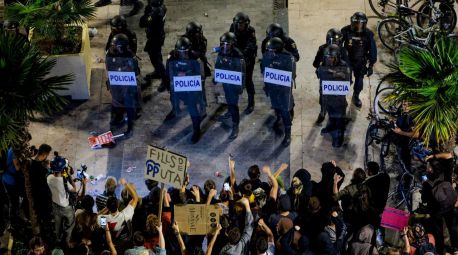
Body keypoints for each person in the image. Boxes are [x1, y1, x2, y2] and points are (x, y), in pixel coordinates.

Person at [163, 37, 206, 143]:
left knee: (192, 108)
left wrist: (187, 74)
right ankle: (174, 110)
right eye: (180, 52)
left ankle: (196, 130)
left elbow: (201, 75)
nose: (183, 55)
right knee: (173, 98)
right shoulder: (172, 57)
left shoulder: (196, 58)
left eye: (185, 52)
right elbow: (168, 71)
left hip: (191, 87)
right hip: (178, 86)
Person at [261, 37, 296, 146]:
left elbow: (291, 74)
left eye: (272, 50)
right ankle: (278, 117)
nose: (269, 52)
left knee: (285, 110)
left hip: (283, 89)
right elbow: (264, 67)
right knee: (276, 106)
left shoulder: (288, 58)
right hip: (273, 86)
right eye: (268, 50)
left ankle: (288, 133)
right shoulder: (268, 55)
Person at [105, 33, 140, 137]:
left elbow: (136, 72)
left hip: (127, 84)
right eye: (113, 46)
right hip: (116, 82)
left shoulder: (130, 55)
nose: (114, 48)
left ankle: (130, 126)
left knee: (129, 104)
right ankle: (119, 117)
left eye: (117, 46)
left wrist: (124, 69)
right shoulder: (110, 53)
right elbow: (108, 65)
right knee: (116, 101)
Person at [316, 44, 351, 147]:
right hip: (327, 98)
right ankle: (331, 128)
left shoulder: (344, 66)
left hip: (339, 100)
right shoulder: (324, 64)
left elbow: (346, 80)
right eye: (328, 57)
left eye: (332, 57)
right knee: (331, 116)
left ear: (337, 57)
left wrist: (331, 73)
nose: (330, 60)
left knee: (339, 118)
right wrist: (332, 73)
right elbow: (320, 74)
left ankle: (339, 137)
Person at [313, 28, 349, 124]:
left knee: (340, 97)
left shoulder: (343, 51)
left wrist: (348, 79)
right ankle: (323, 112)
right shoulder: (322, 48)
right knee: (323, 96)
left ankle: (341, 114)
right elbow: (315, 63)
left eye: (338, 41)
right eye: (333, 41)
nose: (335, 43)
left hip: (339, 78)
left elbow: (348, 66)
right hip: (326, 77)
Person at [214, 32, 246, 139]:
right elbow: (218, 64)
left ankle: (235, 125)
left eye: (228, 44)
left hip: (234, 85)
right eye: (223, 44)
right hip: (226, 83)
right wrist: (216, 76)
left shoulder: (238, 55)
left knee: (233, 105)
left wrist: (241, 86)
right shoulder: (221, 52)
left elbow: (242, 72)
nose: (225, 46)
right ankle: (229, 113)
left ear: (233, 44)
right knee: (229, 100)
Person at [341, 12, 377, 108]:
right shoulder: (345, 31)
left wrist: (371, 65)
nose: (358, 26)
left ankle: (356, 96)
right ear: (352, 22)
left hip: (360, 61)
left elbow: (373, 50)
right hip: (347, 60)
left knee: (359, 81)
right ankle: (341, 97)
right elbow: (338, 45)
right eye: (356, 23)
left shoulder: (368, 34)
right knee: (345, 80)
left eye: (361, 24)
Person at [229, 12, 258, 114]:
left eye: (243, 24)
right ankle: (232, 104)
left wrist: (242, 54)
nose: (241, 26)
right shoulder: (233, 27)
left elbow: (251, 45)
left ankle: (251, 103)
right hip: (237, 57)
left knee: (248, 80)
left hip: (248, 58)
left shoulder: (251, 31)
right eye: (239, 24)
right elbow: (231, 40)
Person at [98, 178, 138, 246]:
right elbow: (135, 198)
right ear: (117, 205)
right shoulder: (126, 215)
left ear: (107, 207)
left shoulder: (102, 218)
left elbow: (98, 215)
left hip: (111, 243)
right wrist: (125, 184)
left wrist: (107, 207)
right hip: (124, 242)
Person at [47, 155, 76, 247]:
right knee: (70, 224)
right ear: (63, 169)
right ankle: (67, 241)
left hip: (55, 205)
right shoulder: (64, 182)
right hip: (66, 208)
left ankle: (58, 239)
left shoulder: (49, 178)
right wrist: (69, 175)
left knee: (57, 224)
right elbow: (74, 189)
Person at [140, 0, 167, 92]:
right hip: (157, 36)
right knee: (155, 55)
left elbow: (142, 23)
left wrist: (147, 14)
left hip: (155, 38)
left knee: (156, 59)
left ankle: (165, 79)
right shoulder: (162, 7)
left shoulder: (156, 13)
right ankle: (158, 72)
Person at [29, 144, 53, 235]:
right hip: (42, 197)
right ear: (45, 155)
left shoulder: (32, 163)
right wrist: (48, 168)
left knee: (40, 215)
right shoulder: (42, 169)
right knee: (45, 215)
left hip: (36, 195)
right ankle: (45, 231)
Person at [391, 101, 415, 173]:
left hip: (405, 143)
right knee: (399, 157)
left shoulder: (412, 117)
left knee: (405, 163)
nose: (405, 107)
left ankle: (406, 178)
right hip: (398, 139)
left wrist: (400, 132)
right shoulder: (402, 111)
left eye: (408, 105)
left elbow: (415, 134)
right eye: (404, 104)